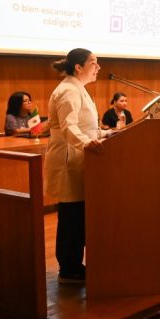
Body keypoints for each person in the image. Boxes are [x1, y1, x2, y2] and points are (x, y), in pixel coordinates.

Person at [43, 48, 108, 284]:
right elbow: (70, 127)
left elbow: (87, 126)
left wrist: (107, 133)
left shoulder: (78, 89)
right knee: (72, 218)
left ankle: (72, 266)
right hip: (68, 162)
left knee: (77, 216)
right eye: (94, 63)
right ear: (78, 67)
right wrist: (87, 142)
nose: (98, 67)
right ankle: (69, 269)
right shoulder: (69, 91)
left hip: (78, 160)